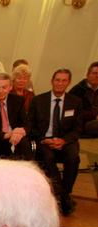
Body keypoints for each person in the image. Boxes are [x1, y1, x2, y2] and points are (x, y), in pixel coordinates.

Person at [29, 68, 82, 216]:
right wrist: (44, 140)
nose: (60, 83)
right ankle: (64, 197)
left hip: (65, 141)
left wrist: (63, 140)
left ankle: (64, 193)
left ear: (69, 83)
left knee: (73, 157)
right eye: (57, 80)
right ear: (52, 81)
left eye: (64, 80)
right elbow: (30, 126)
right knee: (48, 158)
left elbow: (78, 129)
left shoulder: (75, 102)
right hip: (43, 140)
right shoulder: (38, 100)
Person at [68, 61, 98, 137]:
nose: (97, 76)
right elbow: (71, 112)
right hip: (81, 124)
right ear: (87, 75)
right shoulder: (78, 90)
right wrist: (94, 115)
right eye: (95, 73)